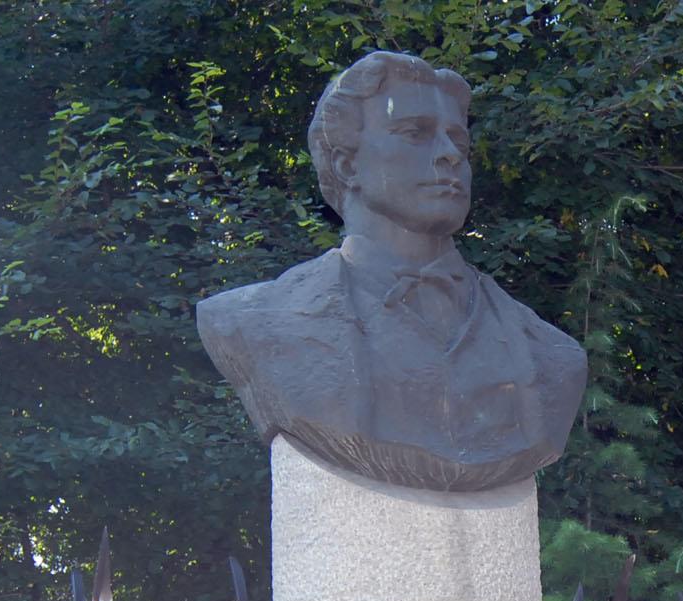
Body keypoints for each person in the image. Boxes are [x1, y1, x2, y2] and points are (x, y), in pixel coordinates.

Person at [196, 51, 585, 493]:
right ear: (347, 164)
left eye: (458, 141)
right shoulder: (256, 322)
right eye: (415, 132)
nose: (449, 156)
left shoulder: (554, 357)